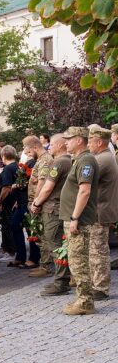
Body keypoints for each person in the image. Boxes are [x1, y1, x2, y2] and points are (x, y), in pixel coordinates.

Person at [58, 127, 99, 315]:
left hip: (79, 220)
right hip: (74, 219)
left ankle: (85, 302)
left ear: (79, 140)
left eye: (69, 138)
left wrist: (75, 217)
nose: (66, 142)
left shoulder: (86, 160)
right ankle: (82, 298)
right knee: (76, 261)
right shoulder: (79, 160)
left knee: (79, 262)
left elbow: (85, 191)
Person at [31, 134, 72, 295]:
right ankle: (63, 279)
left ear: (61, 145)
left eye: (52, 145)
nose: (49, 147)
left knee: (55, 245)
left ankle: (61, 282)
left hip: (52, 209)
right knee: (60, 245)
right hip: (61, 207)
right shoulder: (69, 161)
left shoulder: (59, 162)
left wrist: (36, 203)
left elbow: (47, 187)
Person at [87, 125, 118, 301]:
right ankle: (98, 285)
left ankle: (100, 287)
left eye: (90, 141)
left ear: (99, 142)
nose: (88, 144)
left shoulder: (101, 159)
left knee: (98, 251)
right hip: (102, 209)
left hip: (100, 211)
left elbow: (82, 181)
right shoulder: (106, 156)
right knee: (98, 250)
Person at [23, 135, 53, 269]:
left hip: (40, 204)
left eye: (29, 151)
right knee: (40, 235)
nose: (27, 154)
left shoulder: (45, 160)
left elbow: (41, 183)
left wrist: (36, 203)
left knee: (43, 236)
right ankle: (44, 264)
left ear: (35, 147)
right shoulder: (40, 159)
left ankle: (45, 266)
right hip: (37, 202)